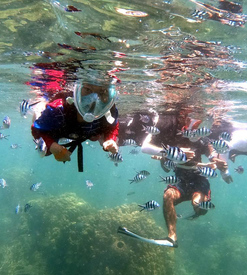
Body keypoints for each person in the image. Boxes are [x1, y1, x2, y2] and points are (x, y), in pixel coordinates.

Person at [119, 111, 227, 248]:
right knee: (168, 195)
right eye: (186, 122)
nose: (189, 126)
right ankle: (172, 236)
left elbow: (212, 155)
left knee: (197, 202)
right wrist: (166, 157)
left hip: (198, 179)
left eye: (192, 123)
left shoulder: (202, 138)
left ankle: (197, 212)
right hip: (180, 180)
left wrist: (217, 161)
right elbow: (165, 169)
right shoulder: (172, 139)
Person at [31, 79, 119, 172]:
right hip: (59, 128)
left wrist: (110, 139)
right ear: (76, 92)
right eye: (88, 90)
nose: (94, 100)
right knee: (44, 150)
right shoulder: (57, 110)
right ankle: (40, 107)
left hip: (87, 133)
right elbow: (37, 130)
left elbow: (112, 127)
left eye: (102, 92)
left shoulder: (109, 112)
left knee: (99, 138)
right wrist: (52, 146)